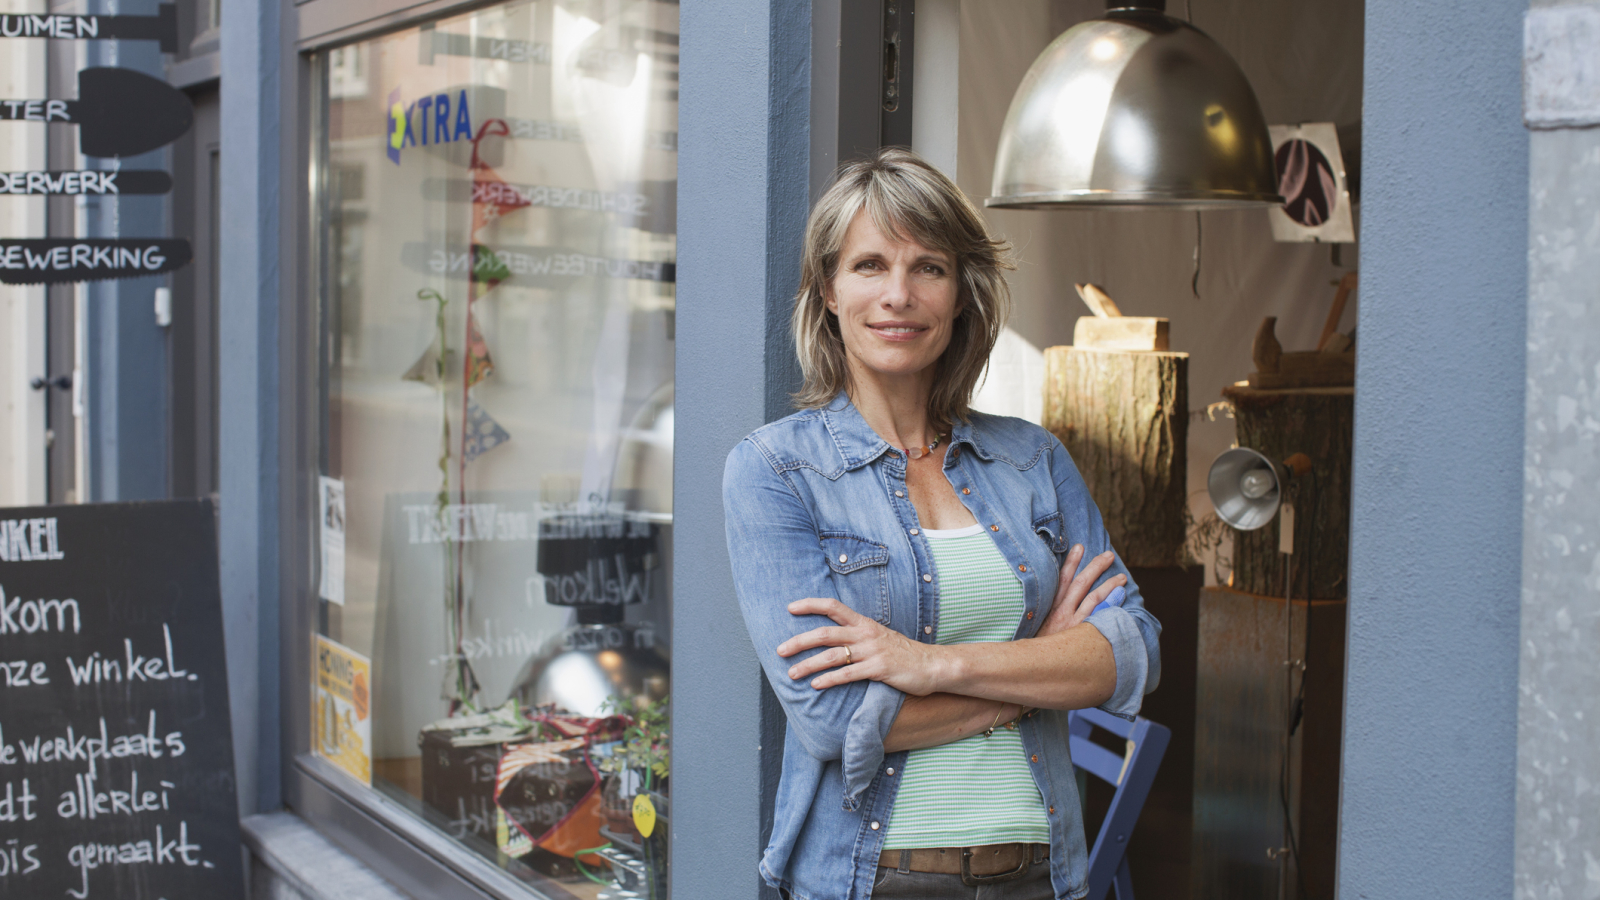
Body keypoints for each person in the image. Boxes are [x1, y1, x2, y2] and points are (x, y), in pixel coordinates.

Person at [723, 147, 1162, 900]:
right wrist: (1043, 668)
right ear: (828, 290)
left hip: (1040, 875)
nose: (898, 294)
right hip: (876, 879)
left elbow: (1133, 654)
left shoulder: (1032, 460)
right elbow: (832, 717)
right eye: (868, 266)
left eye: (928, 267)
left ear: (961, 296)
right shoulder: (775, 471)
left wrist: (932, 666)